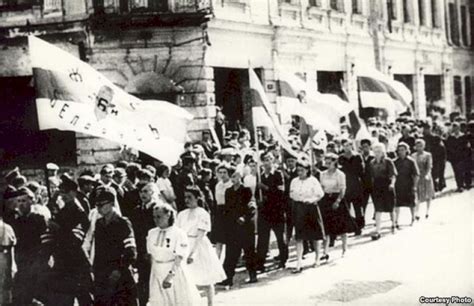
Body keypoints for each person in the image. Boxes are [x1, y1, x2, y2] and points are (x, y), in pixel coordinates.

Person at [43, 175, 93, 306]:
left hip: (76, 262)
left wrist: (57, 229)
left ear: (74, 192)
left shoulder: (80, 214)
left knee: (85, 297)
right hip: (62, 262)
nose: (63, 196)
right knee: (63, 299)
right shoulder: (62, 211)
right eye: (61, 192)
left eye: (66, 192)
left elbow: (75, 240)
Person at [177, 187, 226, 306]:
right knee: (187, 279)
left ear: (197, 198)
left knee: (205, 278)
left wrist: (193, 253)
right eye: (185, 197)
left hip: (199, 246)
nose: (187, 200)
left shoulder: (203, 213)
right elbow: (177, 232)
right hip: (185, 244)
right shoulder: (182, 214)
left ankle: (210, 303)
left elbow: (201, 234)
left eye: (190, 197)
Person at [147, 203, 201, 306]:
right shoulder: (151, 233)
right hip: (157, 272)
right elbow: (151, 255)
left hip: (174, 272)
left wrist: (170, 276)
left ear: (168, 215)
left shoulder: (178, 233)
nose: (156, 219)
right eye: (154, 217)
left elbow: (180, 256)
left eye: (159, 216)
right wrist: (154, 275)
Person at [92, 186, 138, 306]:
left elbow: (131, 250)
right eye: (97, 205)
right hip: (102, 274)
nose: (98, 208)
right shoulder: (99, 224)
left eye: (101, 204)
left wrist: (119, 269)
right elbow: (98, 250)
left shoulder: (123, 223)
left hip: (120, 274)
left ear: (112, 204)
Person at [10, 188, 49, 305]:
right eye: (19, 201)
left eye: (24, 201)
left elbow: (45, 244)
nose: (21, 204)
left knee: (38, 296)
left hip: (36, 264)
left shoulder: (39, 219)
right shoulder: (15, 221)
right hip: (21, 264)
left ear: (31, 202)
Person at [218, 170, 258, 287]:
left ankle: (252, 274)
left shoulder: (246, 190)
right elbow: (227, 209)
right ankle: (227, 277)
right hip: (233, 226)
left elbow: (251, 207)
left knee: (249, 250)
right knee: (231, 253)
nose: (233, 178)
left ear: (240, 177)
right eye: (232, 176)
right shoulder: (228, 191)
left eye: (235, 176)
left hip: (245, 226)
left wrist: (244, 217)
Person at [129, 183, 162, 306]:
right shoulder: (137, 210)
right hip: (141, 249)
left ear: (153, 193)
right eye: (141, 191)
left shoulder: (158, 209)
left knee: (156, 279)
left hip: (154, 250)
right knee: (143, 279)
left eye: (146, 191)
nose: (143, 194)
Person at [289, 159, 325, 273]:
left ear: (307, 170)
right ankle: (299, 262)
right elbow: (291, 193)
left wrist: (311, 200)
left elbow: (320, 194)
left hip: (311, 208)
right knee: (299, 236)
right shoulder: (294, 181)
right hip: (299, 209)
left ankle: (317, 258)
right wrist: (298, 199)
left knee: (315, 235)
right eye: (298, 170)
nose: (300, 173)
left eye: (302, 170)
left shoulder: (313, 180)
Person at [319, 153, 356, 260]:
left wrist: (338, 201)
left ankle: (344, 249)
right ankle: (325, 252)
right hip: (326, 199)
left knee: (341, 226)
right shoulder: (323, 174)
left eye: (329, 162)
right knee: (326, 227)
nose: (327, 163)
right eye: (326, 161)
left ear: (335, 162)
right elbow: (322, 187)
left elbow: (342, 189)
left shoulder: (340, 174)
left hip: (337, 199)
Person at [256, 152, 288, 271]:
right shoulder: (260, 176)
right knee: (263, 237)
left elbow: (281, 192)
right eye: (265, 160)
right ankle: (260, 262)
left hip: (277, 210)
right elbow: (256, 192)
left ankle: (283, 259)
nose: (267, 162)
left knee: (280, 236)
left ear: (273, 160)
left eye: (269, 159)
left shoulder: (278, 174)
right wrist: (259, 199)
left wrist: (266, 189)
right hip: (264, 211)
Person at [369, 143, 397, 240]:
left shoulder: (388, 161)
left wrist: (392, 184)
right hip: (377, 186)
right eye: (375, 151)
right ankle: (378, 230)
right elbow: (372, 176)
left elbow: (393, 175)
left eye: (379, 151)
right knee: (378, 208)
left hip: (387, 185)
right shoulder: (372, 163)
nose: (377, 153)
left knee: (390, 206)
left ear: (383, 152)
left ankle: (393, 224)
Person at [338, 139, 365, 235]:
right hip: (345, 185)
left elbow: (362, 171)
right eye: (344, 145)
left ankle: (359, 227)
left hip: (356, 184)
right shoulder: (340, 158)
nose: (346, 147)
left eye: (348, 145)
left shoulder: (357, 156)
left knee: (358, 208)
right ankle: (350, 227)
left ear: (351, 145)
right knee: (347, 208)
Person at [394, 142, 420, 227]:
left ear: (406, 150)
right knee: (397, 203)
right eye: (399, 150)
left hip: (408, 184)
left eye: (403, 150)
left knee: (411, 203)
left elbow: (416, 174)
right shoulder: (394, 161)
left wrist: (415, 186)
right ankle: (396, 221)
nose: (401, 152)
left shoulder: (411, 161)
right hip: (398, 185)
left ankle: (413, 218)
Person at [211, 164, 233, 258]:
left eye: (224, 172)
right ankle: (217, 260)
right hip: (220, 211)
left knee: (230, 237)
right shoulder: (218, 185)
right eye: (220, 172)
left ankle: (230, 259)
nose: (222, 174)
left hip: (229, 211)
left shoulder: (231, 184)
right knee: (219, 239)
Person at [412, 139, 435, 220]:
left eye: (421, 146)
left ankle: (427, 211)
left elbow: (429, 166)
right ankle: (417, 212)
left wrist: (428, 174)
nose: (419, 148)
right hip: (417, 176)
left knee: (428, 193)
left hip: (425, 175)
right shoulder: (413, 156)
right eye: (417, 146)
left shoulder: (428, 155)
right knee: (418, 194)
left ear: (424, 146)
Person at [446, 122, 471, 192]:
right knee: (456, 171)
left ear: (459, 128)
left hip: (462, 157)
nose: (455, 129)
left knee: (462, 171)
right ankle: (459, 185)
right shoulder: (450, 137)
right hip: (454, 158)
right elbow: (448, 148)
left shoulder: (463, 136)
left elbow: (467, 147)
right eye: (454, 128)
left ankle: (463, 185)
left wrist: (466, 156)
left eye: (457, 128)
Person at [0, 204, 16, 305]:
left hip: (4, 257)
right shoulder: (7, 227)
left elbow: (11, 247)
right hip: (4, 257)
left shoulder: (7, 228)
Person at [283, 154, 298, 242]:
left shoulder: (298, 171)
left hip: (296, 200)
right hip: (287, 201)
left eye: (292, 161)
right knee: (289, 221)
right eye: (288, 161)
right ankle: (287, 240)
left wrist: (284, 173)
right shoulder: (284, 172)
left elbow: (292, 180)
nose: (290, 163)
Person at [360, 139, 374, 219]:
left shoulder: (373, 157)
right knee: (363, 202)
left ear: (369, 147)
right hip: (363, 183)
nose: (365, 148)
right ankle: (362, 218)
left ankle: (376, 216)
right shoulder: (359, 157)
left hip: (372, 182)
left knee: (376, 201)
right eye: (363, 147)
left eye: (366, 146)